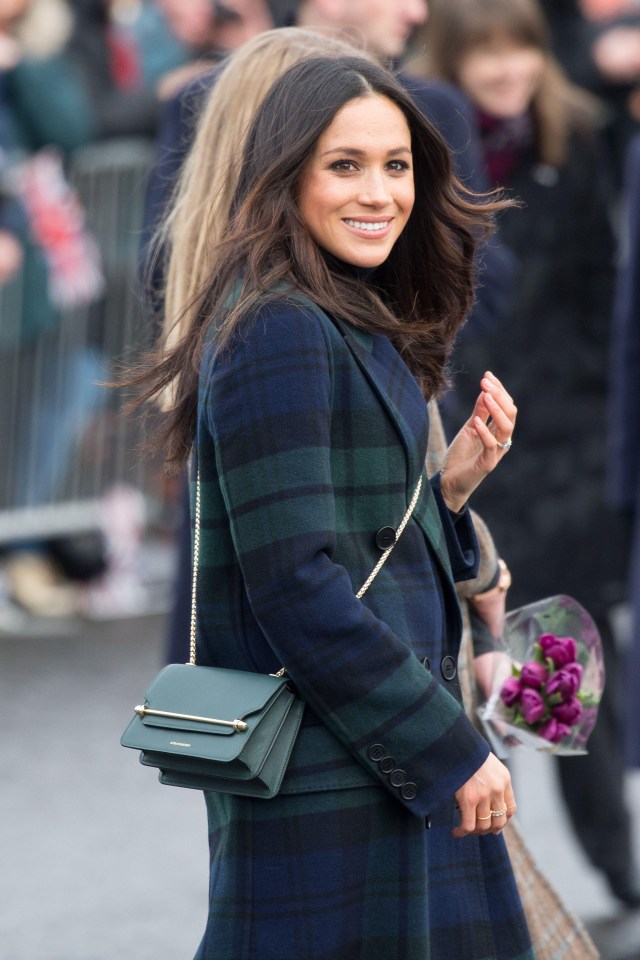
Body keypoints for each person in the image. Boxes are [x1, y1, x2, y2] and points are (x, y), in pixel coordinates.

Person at [131, 51, 532, 959]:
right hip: (339, 772)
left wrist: (449, 494)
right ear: (285, 178)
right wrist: (448, 748)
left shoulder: (336, 310)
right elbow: (297, 585)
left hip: (369, 762)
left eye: (396, 166)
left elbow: (352, 550)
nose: (380, 192)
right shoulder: (278, 324)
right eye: (343, 166)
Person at [416, 0, 640, 908]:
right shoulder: (433, 153)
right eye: (488, 54)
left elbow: (598, 284)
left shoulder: (572, 138)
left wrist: (590, 401)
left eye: (521, 50)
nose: (508, 69)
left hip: (569, 438)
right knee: (499, 653)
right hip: (480, 438)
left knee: (574, 656)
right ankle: (509, 869)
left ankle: (611, 861)